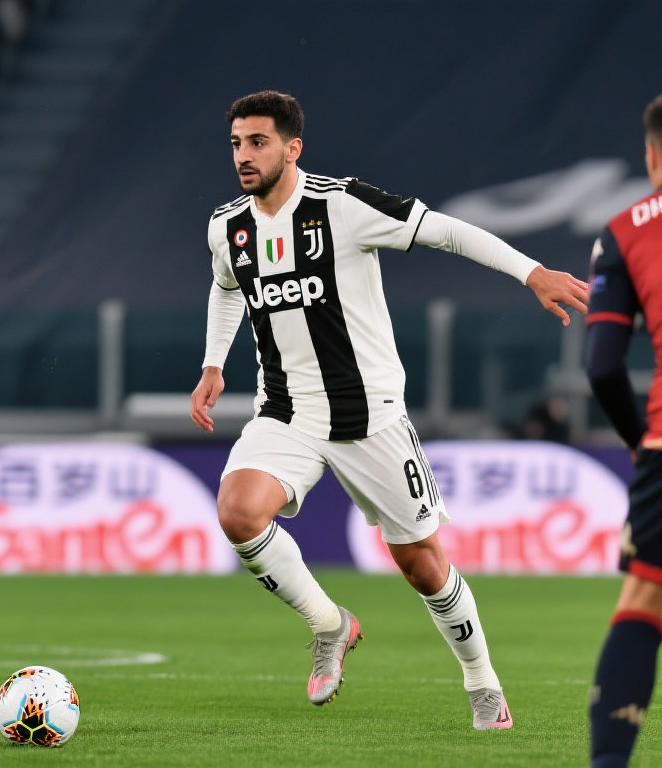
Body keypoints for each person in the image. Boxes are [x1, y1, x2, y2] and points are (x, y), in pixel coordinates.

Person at [190, 90, 589, 730]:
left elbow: (445, 230)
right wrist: (214, 362)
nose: (244, 155)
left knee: (422, 565)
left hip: (369, 416)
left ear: (292, 148)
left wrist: (531, 272)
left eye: (258, 142)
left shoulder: (342, 205)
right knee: (238, 512)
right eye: (237, 142)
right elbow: (225, 283)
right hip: (287, 410)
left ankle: (482, 681)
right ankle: (330, 625)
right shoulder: (228, 224)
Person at [584, 93, 662, 768]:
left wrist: (641, 443)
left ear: (651, 155)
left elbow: (603, 366)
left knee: (645, 598)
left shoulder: (625, 230)